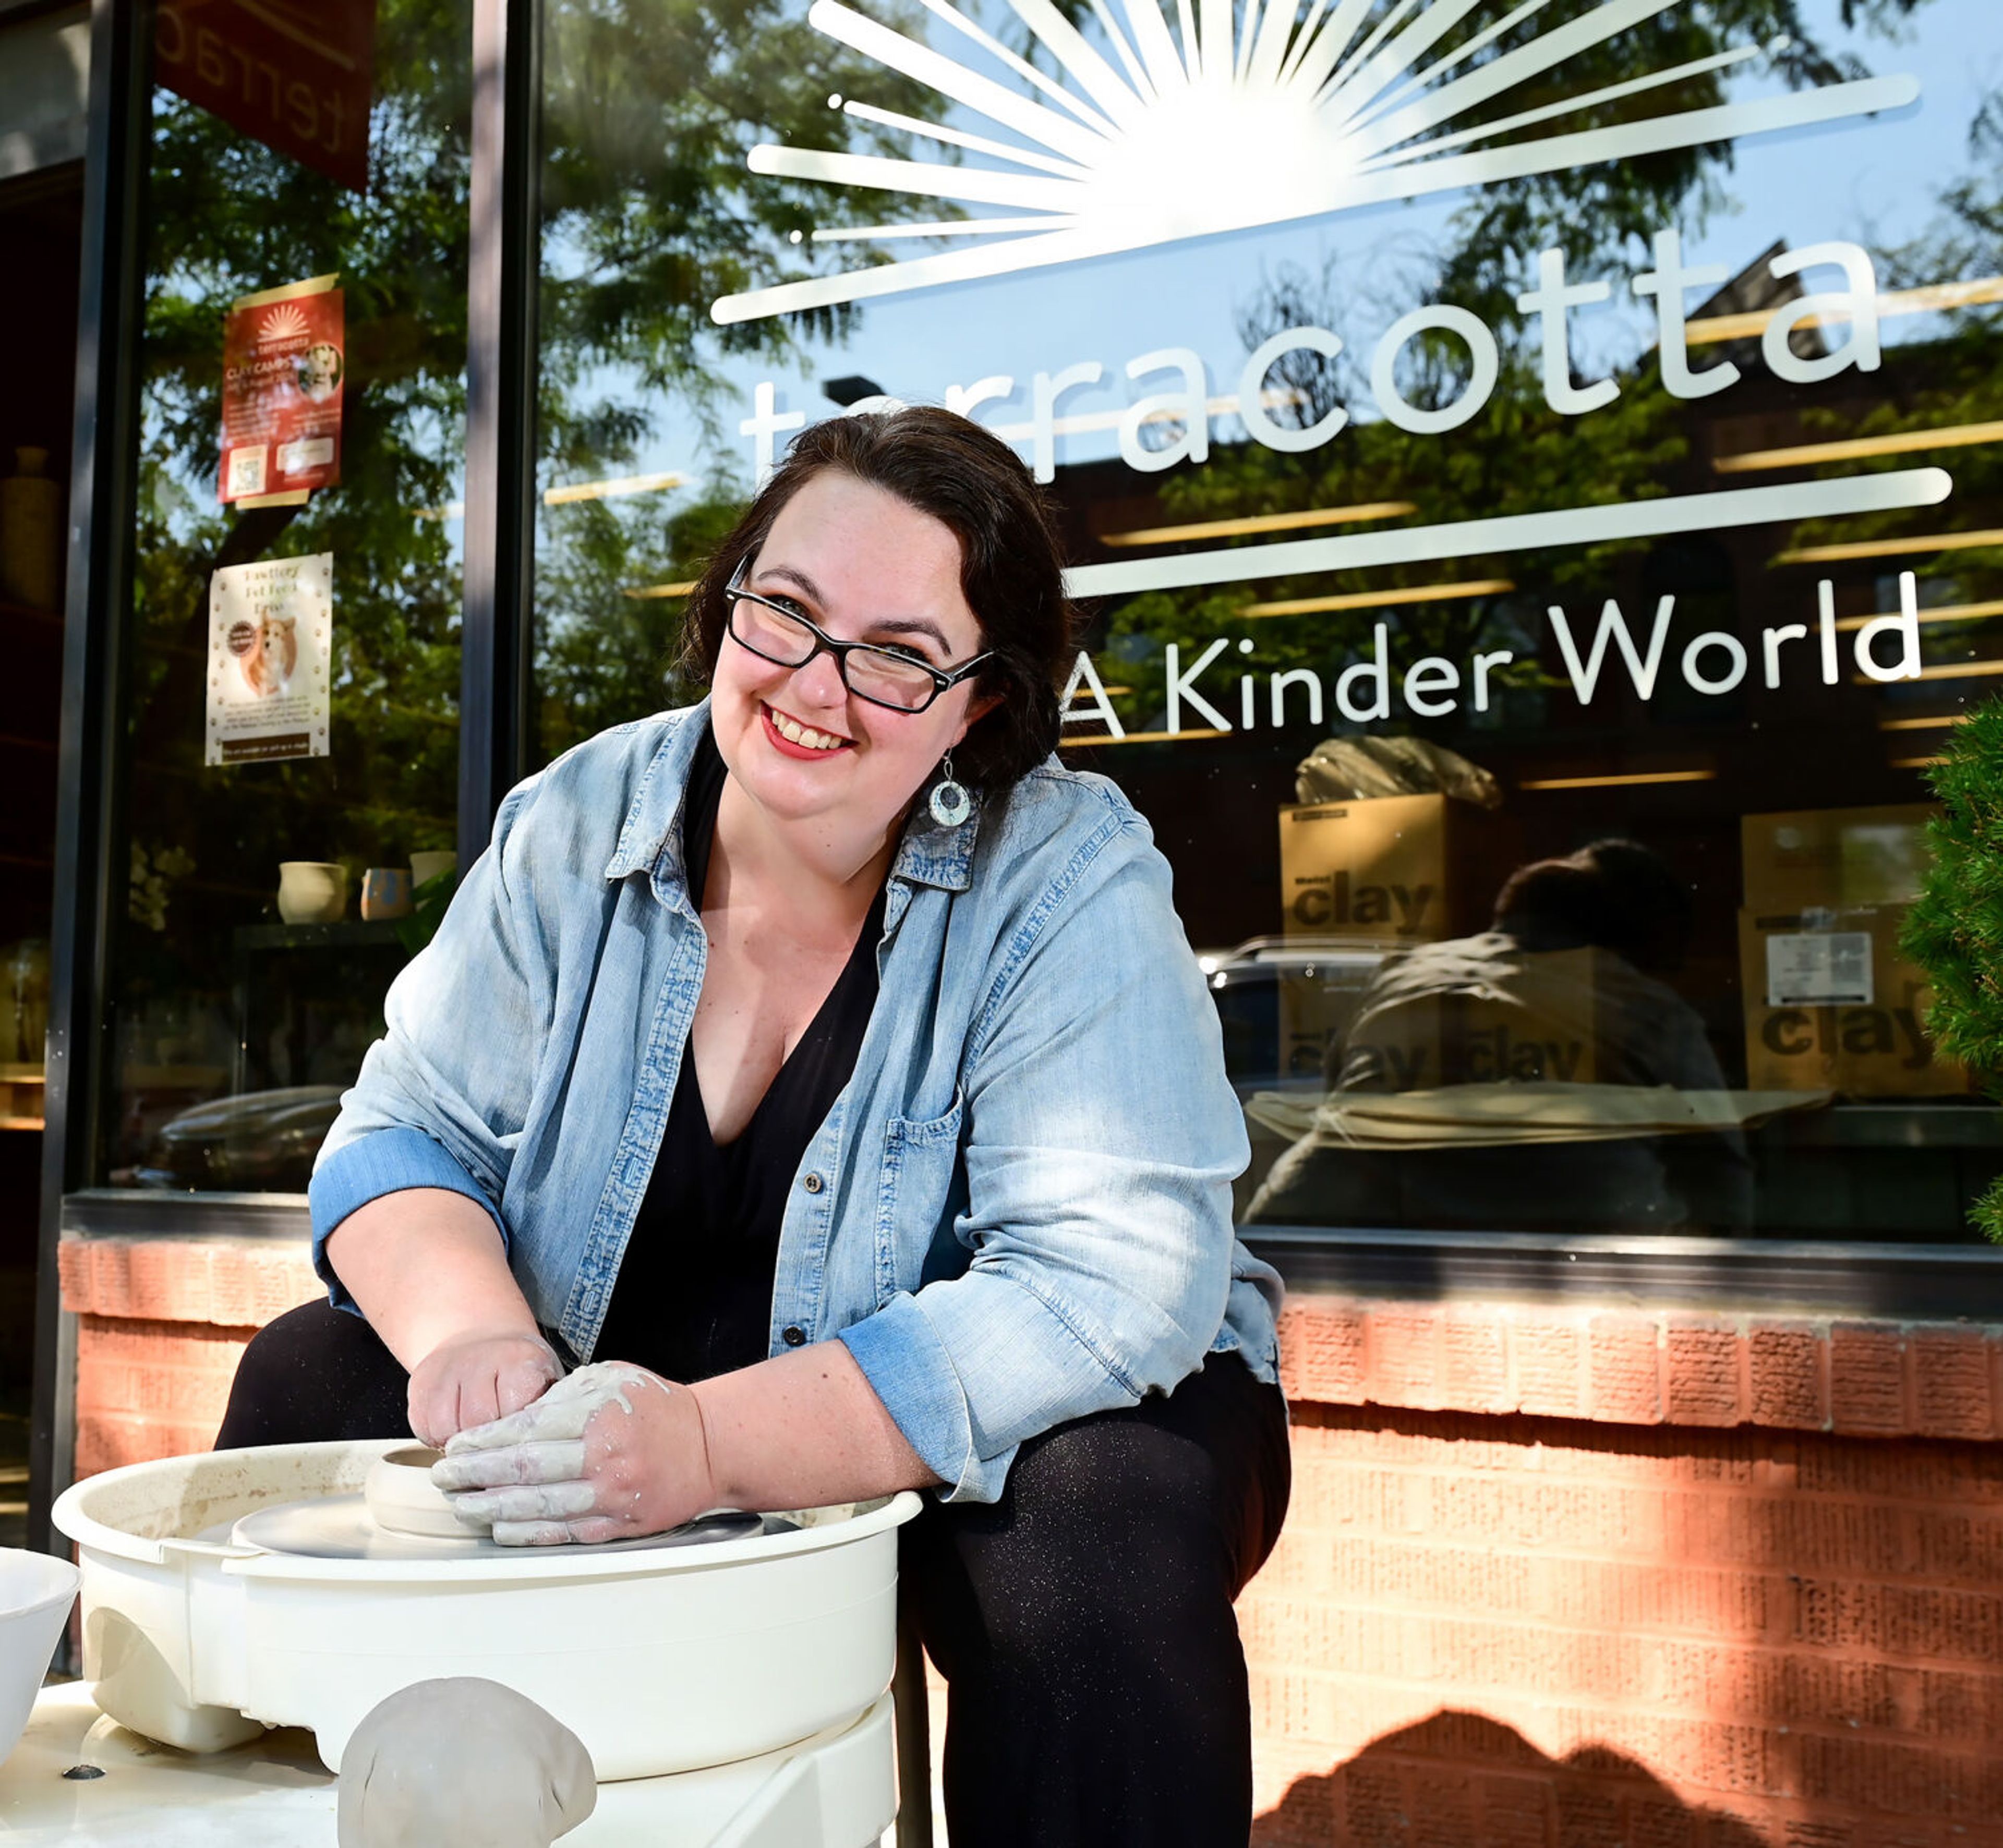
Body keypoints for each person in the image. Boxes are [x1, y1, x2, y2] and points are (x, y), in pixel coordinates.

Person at [218, 406, 1289, 1847]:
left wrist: (714, 1443)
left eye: (900, 654)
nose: (816, 685)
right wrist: (475, 1334)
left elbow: (1109, 1281)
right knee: (310, 1373)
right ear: (729, 602)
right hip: (624, 1382)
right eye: (784, 610)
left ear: (981, 701)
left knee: (1093, 1527)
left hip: (1014, 1405)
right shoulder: (576, 817)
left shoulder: (1067, 869)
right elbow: (405, 1129)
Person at [1246, 838, 1753, 1231]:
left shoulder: (1404, 974)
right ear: (1631, 943)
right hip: (1585, 1256)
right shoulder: (1645, 1006)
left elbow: (1336, 1097)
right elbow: (1721, 1174)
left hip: (1349, 1236)